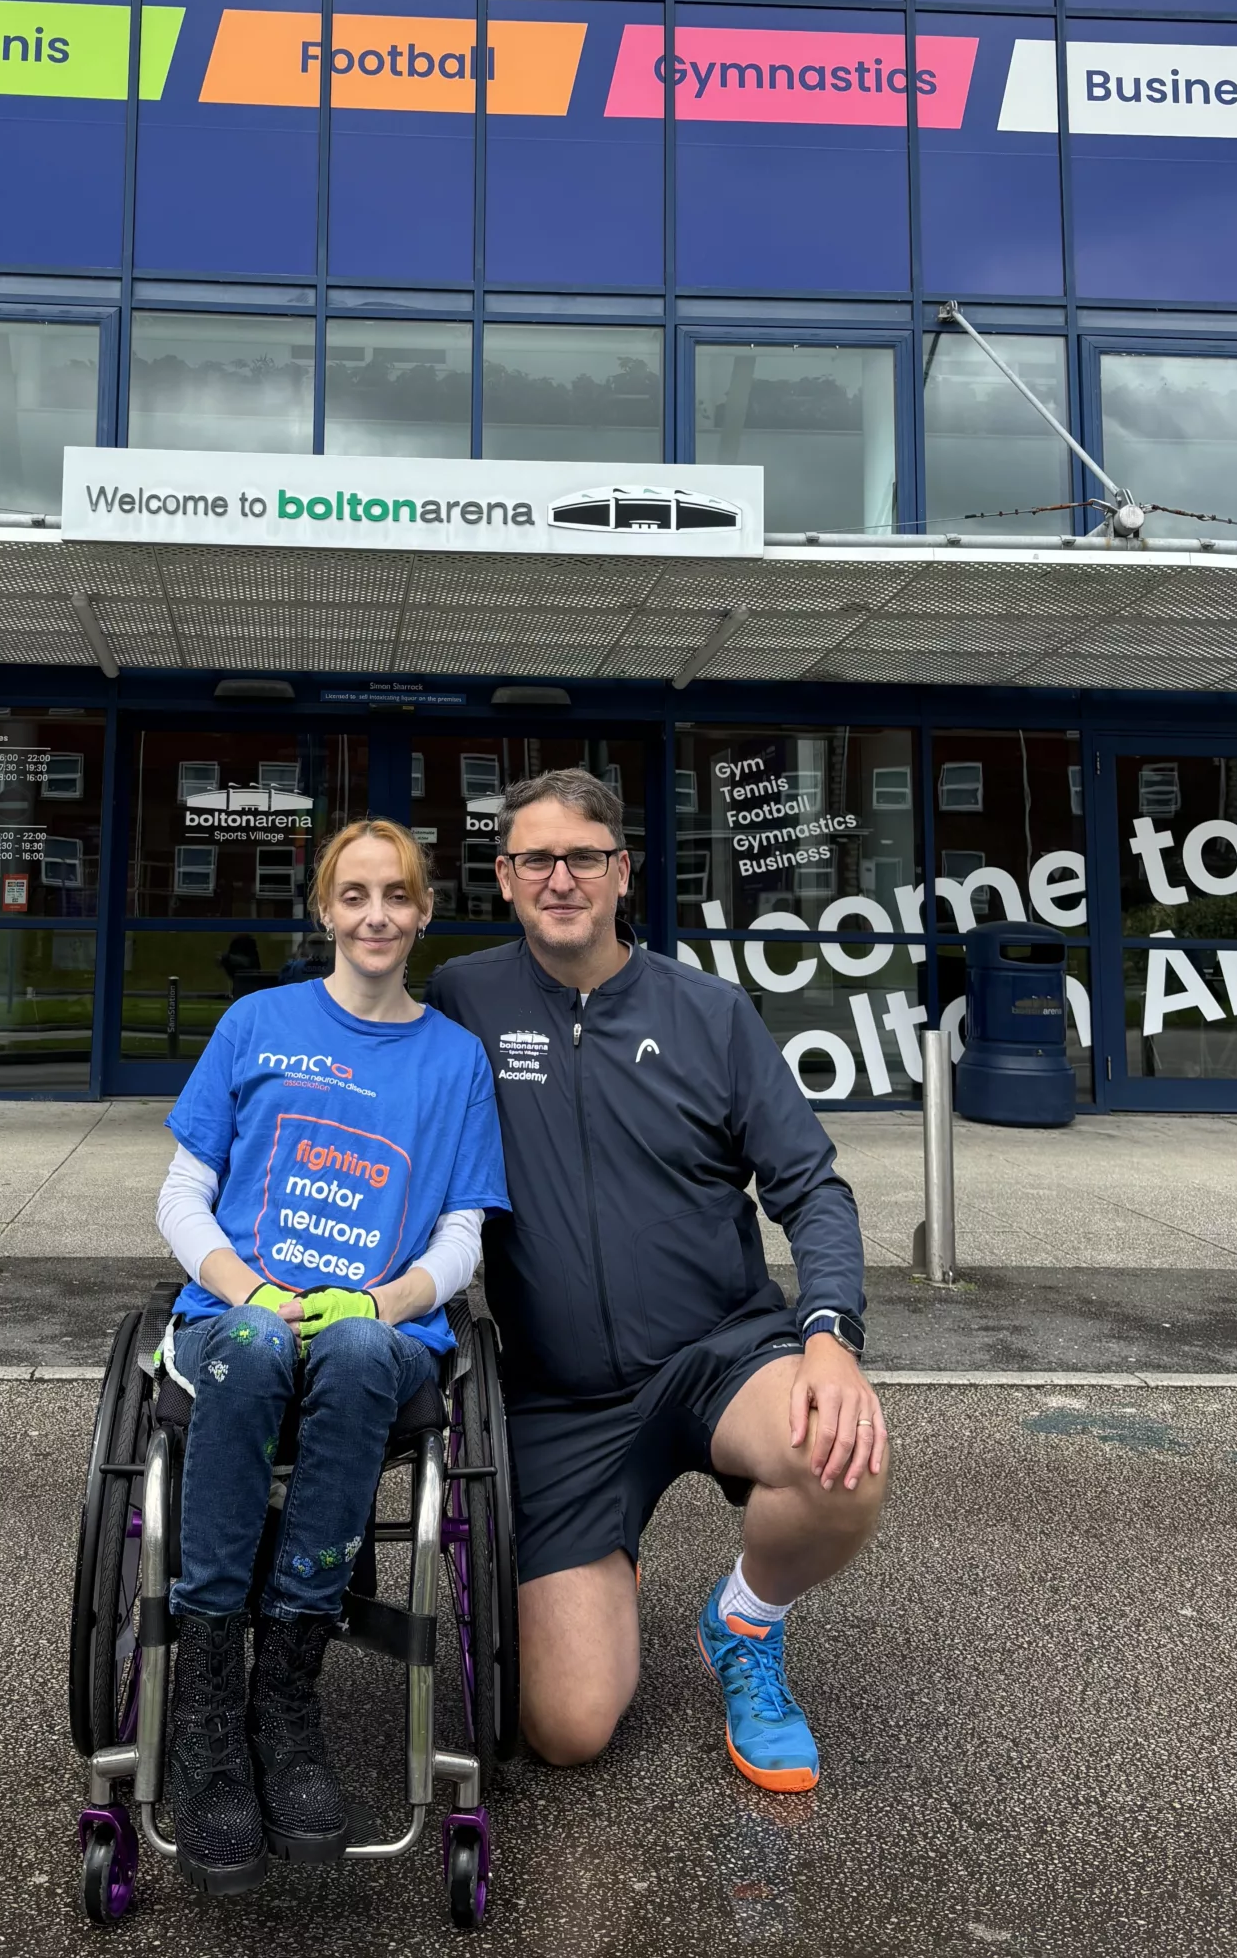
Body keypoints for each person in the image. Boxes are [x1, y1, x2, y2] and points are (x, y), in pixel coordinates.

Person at [426, 768, 886, 1795]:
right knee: (567, 1729)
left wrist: (829, 1337)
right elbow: (387, 1114)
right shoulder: (464, 1000)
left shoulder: (709, 1013)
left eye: (583, 855)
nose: (561, 877)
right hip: (562, 1395)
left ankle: (746, 1625)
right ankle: (608, 1553)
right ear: (504, 877)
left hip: (720, 1353)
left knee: (842, 1457)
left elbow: (812, 1188)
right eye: (536, 857)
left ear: (622, 869)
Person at [153, 817, 509, 1894]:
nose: (375, 915)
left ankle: (287, 1698)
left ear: (423, 910)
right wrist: (248, 1285)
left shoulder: (453, 1060)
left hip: (381, 1333)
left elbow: (462, 1235)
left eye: (395, 894)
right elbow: (181, 1193)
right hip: (236, 1316)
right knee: (261, 1341)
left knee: (354, 1346)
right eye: (354, 894)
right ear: (323, 908)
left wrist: (382, 1296)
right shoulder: (257, 1022)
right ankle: (210, 1709)